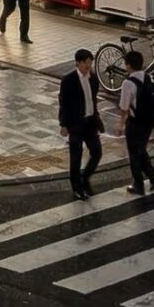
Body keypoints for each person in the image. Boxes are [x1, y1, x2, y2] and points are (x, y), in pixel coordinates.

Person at [57, 49, 103, 199]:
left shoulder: (93, 78)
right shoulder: (69, 80)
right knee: (75, 156)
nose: (89, 65)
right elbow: (63, 103)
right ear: (78, 62)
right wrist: (63, 124)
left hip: (90, 122)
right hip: (75, 123)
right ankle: (77, 187)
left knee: (97, 152)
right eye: (86, 62)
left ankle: (85, 178)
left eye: (90, 62)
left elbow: (93, 100)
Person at [118, 49, 154, 196]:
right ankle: (153, 177)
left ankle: (138, 185)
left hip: (135, 123)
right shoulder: (147, 77)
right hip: (149, 122)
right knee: (141, 150)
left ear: (128, 65)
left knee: (135, 154)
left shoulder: (128, 83)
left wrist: (121, 124)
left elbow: (124, 107)